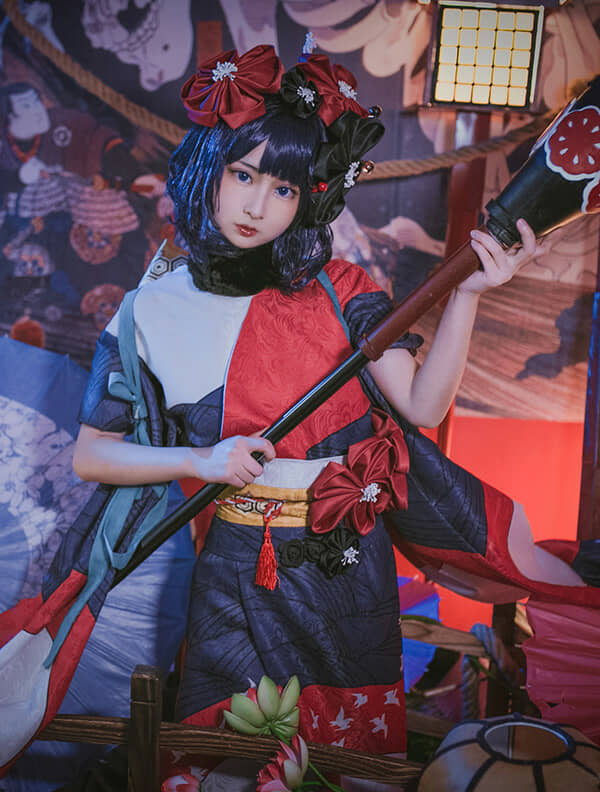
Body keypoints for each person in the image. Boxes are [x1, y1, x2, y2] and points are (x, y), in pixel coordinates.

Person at [1, 44, 597, 791]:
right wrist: (201, 462)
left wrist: (469, 297)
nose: (257, 205)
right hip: (235, 560)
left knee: (346, 760)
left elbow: (423, 404)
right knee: (222, 755)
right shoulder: (149, 307)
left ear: (306, 197)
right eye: (243, 175)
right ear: (209, 170)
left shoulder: (341, 286)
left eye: (282, 188)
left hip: (344, 560)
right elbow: (94, 453)